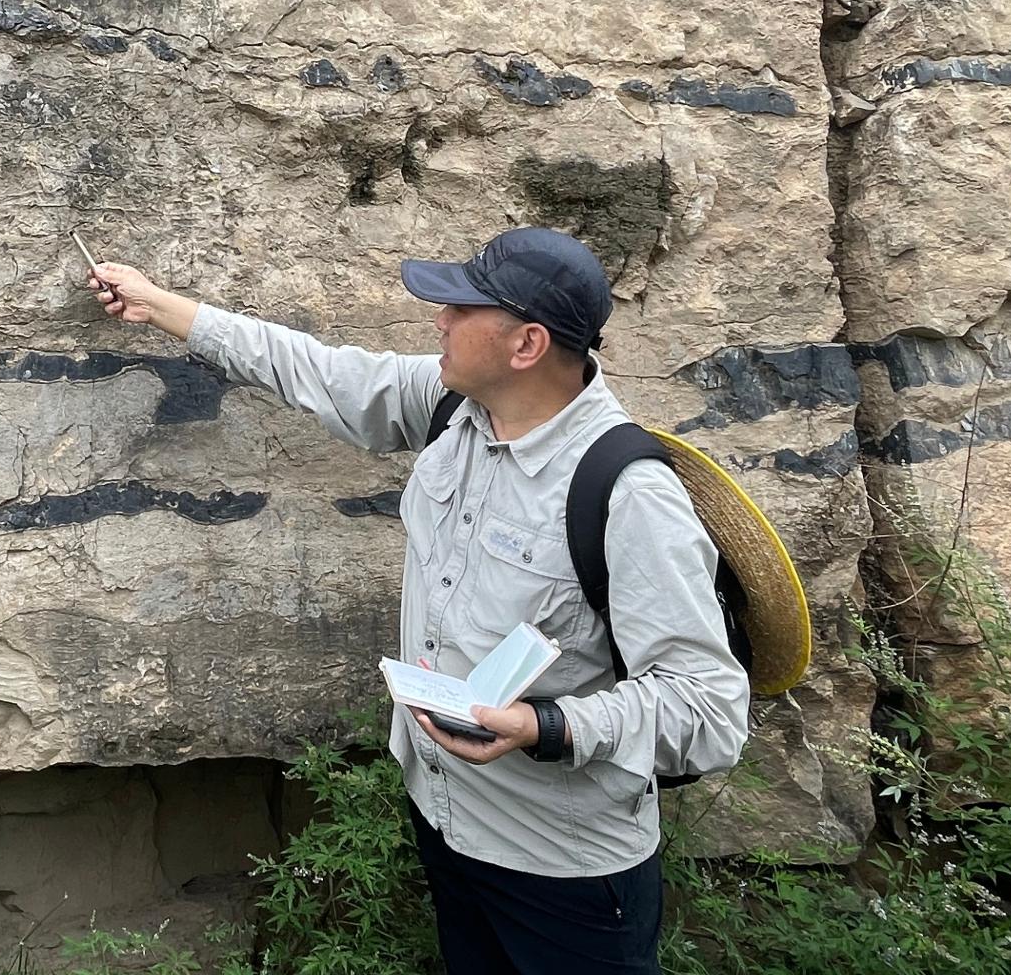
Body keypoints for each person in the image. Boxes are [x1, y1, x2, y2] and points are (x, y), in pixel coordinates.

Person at [85, 228, 748, 974]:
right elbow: (313, 368)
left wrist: (546, 725)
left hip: (566, 870)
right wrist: (158, 304)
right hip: (447, 822)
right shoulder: (453, 406)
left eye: (460, 309)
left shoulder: (628, 494)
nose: (439, 319)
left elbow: (709, 709)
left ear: (526, 344)